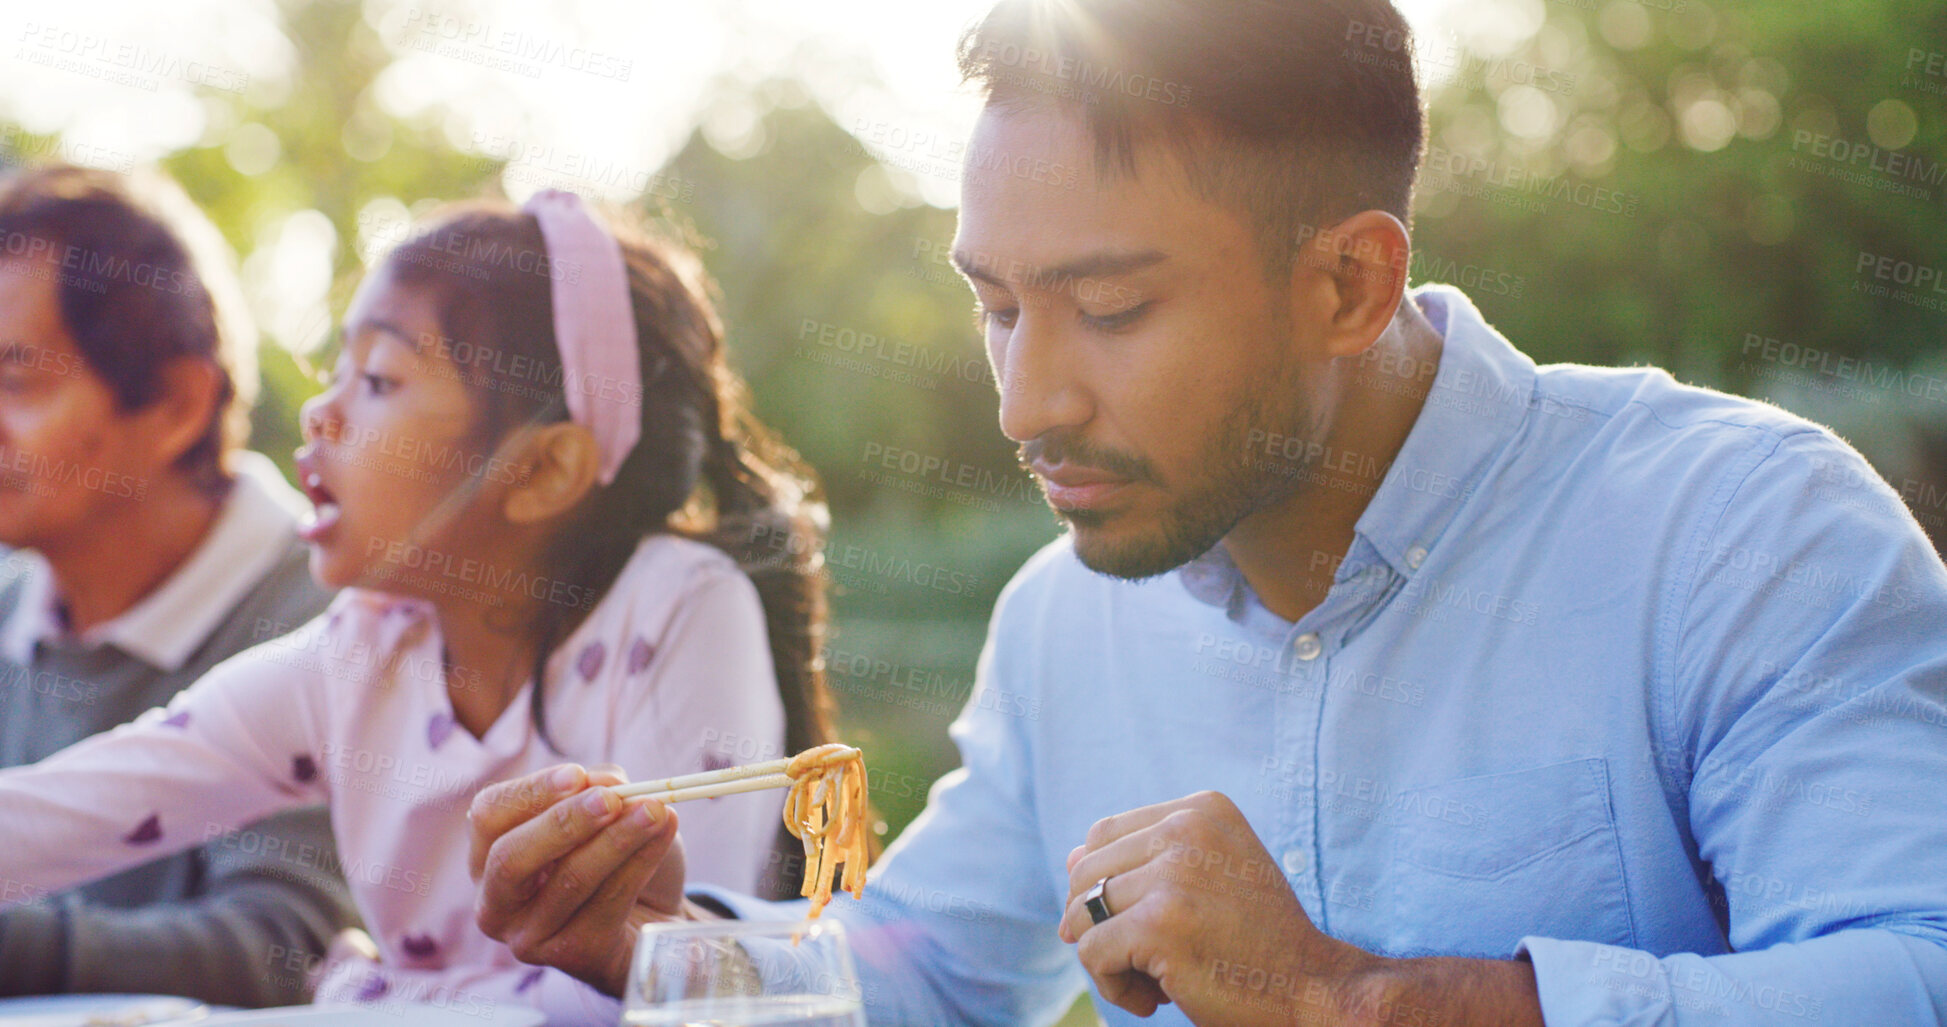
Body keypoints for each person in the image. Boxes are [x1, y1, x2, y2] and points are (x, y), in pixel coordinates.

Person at [466, 1, 1947, 1024]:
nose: (1022, 403)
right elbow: (917, 977)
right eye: (991, 306)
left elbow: (1912, 972)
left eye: (1107, 307)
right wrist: (656, 947)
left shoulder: (1739, 531)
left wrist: (1343, 998)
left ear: (1348, 284)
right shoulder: (1061, 619)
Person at [0, 190, 838, 1024]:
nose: (321, 412)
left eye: (377, 378)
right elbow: (78, 804)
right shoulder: (360, 650)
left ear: (543, 469)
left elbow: (681, 974)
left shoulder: (678, 608)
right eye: (337, 373)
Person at [0, 163, 356, 1005]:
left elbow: (289, 945)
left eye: (17, 381)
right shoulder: (14, 607)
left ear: (173, 403)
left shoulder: (330, 623)